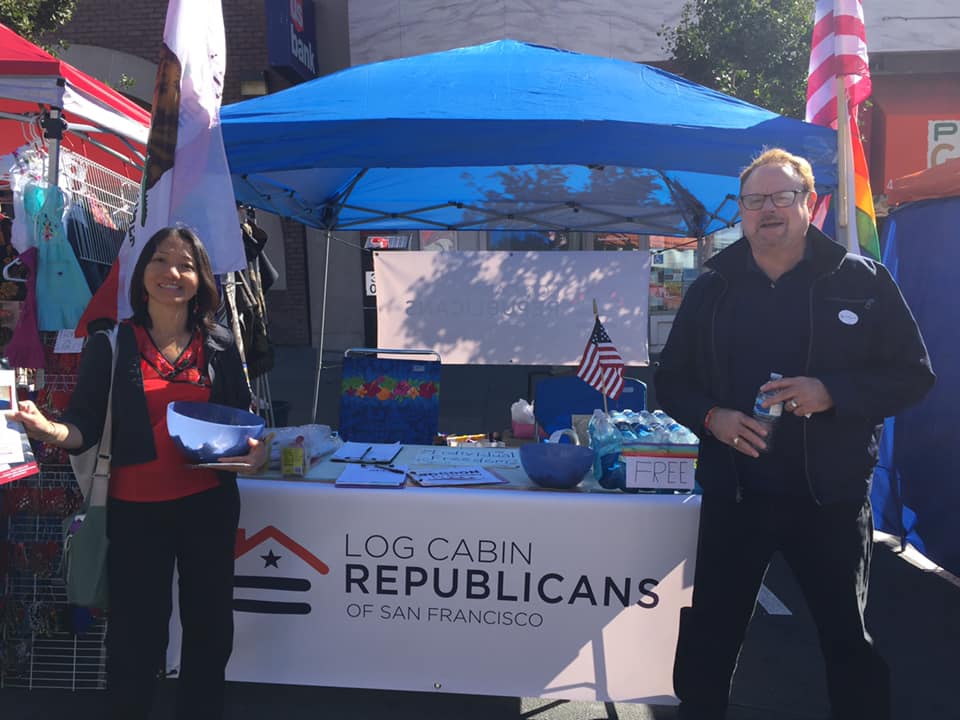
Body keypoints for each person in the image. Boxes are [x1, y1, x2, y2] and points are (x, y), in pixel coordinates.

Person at [654, 148, 934, 720]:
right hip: (736, 497)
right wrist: (713, 418)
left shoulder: (862, 282)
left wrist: (833, 392)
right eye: (754, 200)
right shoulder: (713, 288)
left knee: (847, 644)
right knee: (709, 640)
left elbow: (912, 376)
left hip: (828, 500)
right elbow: (672, 382)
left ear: (810, 202)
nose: (767, 210)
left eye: (781, 196)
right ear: (742, 211)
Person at [8, 226, 269, 720]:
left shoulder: (217, 343)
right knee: (136, 638)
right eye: (161, 261)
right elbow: (83, 426)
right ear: (141, 272)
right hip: (135, 512)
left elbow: (242, 419)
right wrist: (49, 431)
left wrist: (256, 453)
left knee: (211, 631)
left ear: (201, 279)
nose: (173, 273)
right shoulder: (111, 343)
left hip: (208, 506)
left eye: (187, 265)